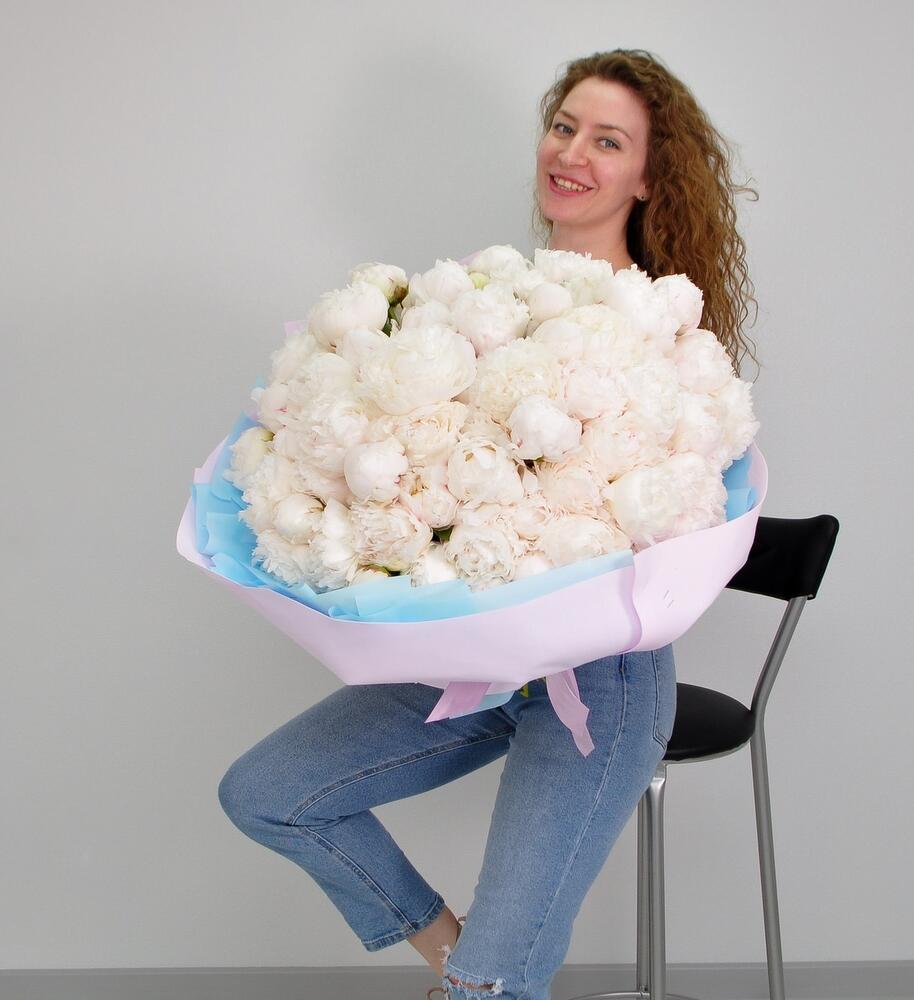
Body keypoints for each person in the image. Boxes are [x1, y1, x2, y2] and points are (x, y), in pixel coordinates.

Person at [217, 47, 760, 1000]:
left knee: (490, 990)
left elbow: (684, 514)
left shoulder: (665, 334)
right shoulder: (479, 300)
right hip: (471, 662)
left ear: (648, 176)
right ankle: (469, 967)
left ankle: (483, 983)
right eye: (564, 127)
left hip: (602, 681)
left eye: (608, 141)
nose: (573, 153)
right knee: (268, 795)